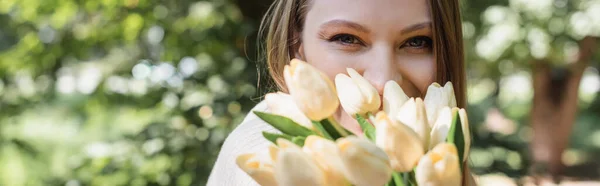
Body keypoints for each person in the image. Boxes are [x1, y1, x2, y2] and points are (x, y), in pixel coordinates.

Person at [208, 0, 474, 185]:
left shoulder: (438, 164)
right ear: (296, 46)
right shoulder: (271, 159)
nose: (382, 81)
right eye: (346, 38)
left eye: (417, 42)